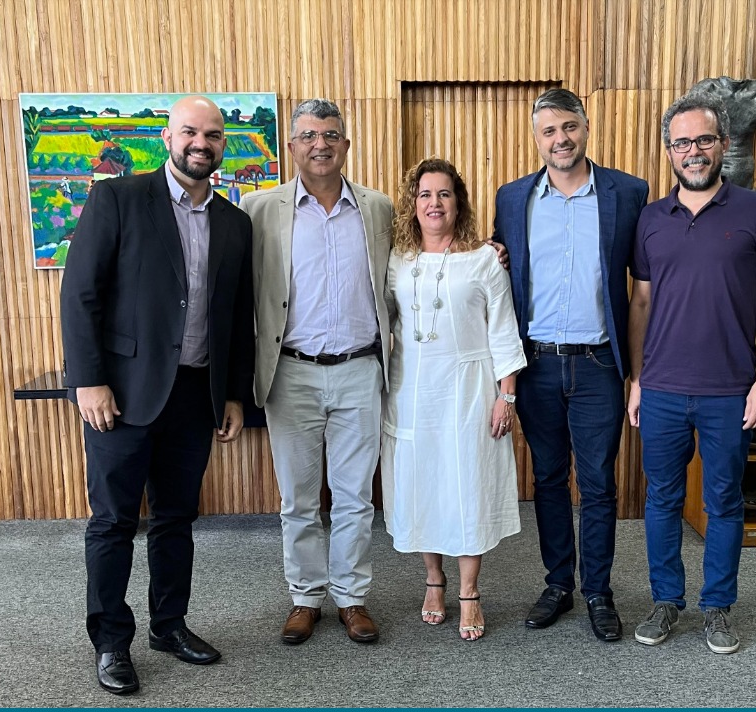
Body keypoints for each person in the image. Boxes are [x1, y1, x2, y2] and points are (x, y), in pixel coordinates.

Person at [60, 95, 254, 694]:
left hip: (196, 395)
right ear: (167, 138)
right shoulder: (118, 199)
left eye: (214, 135)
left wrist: (233, 395)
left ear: (224, 145)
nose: (203, 143)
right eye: (191, 132)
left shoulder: (233, 222)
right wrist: (88, 379)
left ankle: (169, 625)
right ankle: (112, 642)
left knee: (176, 519)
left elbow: (235, 313)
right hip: (120, 395)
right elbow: (80, 295)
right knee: (114, 521)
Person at [627, 93, 756, 654]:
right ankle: (666, 600)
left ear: (721, 145)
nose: (693, 152)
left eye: (703, 140)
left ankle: (717, 607)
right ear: (669, 151)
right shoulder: (652, 218)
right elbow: (641, 304)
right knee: (662, 501)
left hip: (730, 390)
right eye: (681, 143)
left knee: (723, 502)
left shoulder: (755, 210)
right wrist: (637, 377)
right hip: (664, 389)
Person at [492, 88, 648, 641]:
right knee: (550, 479)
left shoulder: (629, 193)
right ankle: (558, 582)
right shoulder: (512, 198)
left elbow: (644, 290)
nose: (560, 139)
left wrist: (638, 372)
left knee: (600, 485)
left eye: (569, 127)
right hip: (535, 365)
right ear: (537, 140)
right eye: (548, 131)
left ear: (587, 126)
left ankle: (599, 592)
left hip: (600, 366)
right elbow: (498, 273)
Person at [239, 98, 393, 646]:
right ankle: (306, 596)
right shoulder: (260, 209)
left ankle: (351, 597)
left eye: (330, 134)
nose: (320, 144)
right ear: (293, 146)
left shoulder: (378, 208)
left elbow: (406, 273)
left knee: (355, 496)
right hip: (292, 374)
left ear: (346, 145)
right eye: (308, 135)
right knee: (298, 498)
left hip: (359, 370)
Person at [382, 158, 526, 641]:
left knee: (467, 486)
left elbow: (503, 330)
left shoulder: (485, 259)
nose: (434, 203)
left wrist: (506, 395)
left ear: (458, 202)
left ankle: (469, 591)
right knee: (423, 485)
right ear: (413, 204)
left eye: (444, 194)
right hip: (411, 390)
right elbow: (384, 320)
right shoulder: (398, 259)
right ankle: (433, 580)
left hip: (469, 390)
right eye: (425, 194)